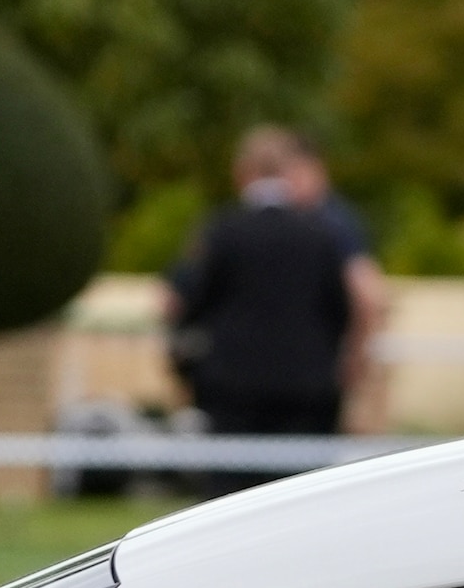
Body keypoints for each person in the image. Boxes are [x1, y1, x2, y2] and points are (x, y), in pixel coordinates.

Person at [165, 125, 386, 473]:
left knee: (230, 502)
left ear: (242, 173)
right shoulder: (325, 234)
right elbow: (345, 308)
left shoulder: (222, 231)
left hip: (233, 390)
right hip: (308, 391)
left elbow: (187, 303)